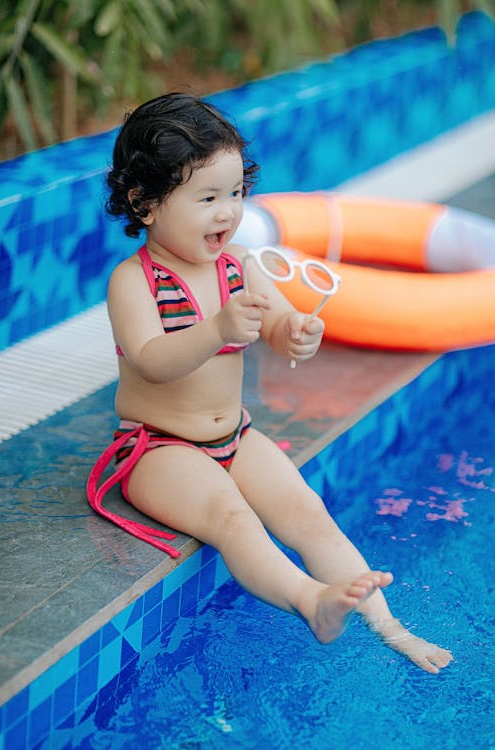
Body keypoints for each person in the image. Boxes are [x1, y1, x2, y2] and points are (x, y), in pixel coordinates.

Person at [88, 93, 452, 674]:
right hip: (160, 448)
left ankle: (391, 628)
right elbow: (152, 359)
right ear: (145, 203)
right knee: (233, 519)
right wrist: (217, 330)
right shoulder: (133, 281)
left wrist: (297, 332)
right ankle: (312, 601)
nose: (227, 212)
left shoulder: (238, 265)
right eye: (207, 197)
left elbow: (278, 324)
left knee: (307, 511)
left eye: (235, 193)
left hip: (236, 436)